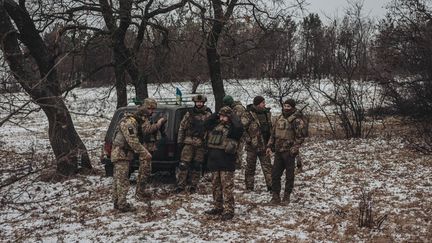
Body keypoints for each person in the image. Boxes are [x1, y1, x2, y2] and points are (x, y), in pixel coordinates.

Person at [204, 106, 243, 220]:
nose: (222, 118)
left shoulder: (233, 128)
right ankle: (218, 207)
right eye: (221, 116)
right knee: (216, 186)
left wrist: (231, 115)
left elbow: (239, 127)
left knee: (227, 187)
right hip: (214, 161)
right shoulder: (215, 125)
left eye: (225, 116)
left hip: (226, 162)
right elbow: (206, 123)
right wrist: (217, 113)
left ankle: (229, 210)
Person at [111, 104, 153, 212]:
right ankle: (122, 205)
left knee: (119, 180)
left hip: (123, 154)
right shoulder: (129, 123)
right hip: (121, 154)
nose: (145, 122)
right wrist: (145, 153)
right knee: (122, 181)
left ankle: (118, 203)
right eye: (145, 118)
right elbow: (133, 141)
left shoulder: (132, 122)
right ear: (142, 116)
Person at [266, 98, 306, 205]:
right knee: (275, 175)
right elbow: (273, 134)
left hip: (289, 152)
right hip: (278, 151)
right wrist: (269, 146)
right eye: (285, 106)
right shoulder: (279, 118)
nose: (286, 108)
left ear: (292, 107)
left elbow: (300, 137)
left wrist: (294, 149)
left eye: (289, 106)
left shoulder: (297, 120)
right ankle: (275, 197)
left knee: (289, 176)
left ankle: (286, 197)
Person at [175, 94, 212, 193]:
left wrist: (209, 144)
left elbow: (210, 131)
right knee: (183, 165)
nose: (199, 104)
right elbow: (182, 128)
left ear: (203, 103)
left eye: (200, 102)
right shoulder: (189, 114)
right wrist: (179, 141)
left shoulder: (208, 115)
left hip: (201, 144)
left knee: (197, 165)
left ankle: (193, 185)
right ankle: (181, 185)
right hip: (189, 142)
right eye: (197, 102)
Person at [135, 98, 167, 201]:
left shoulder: (147, 116)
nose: (152, 111)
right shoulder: (142, 117)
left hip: (148, 147)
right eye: (150, 109)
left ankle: (141, 191)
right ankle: (140, 193)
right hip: (144, 148)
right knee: (144, 171)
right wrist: (159, 123)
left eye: (153, 109)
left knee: (146, 171)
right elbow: (147, 130)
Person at [242, 96, 273, 191]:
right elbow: (242, 129)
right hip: (252, 146)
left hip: (265, 145)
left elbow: (270, 128)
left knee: (267, 167)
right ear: (257, 104)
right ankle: (249, 187)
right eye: (263, 103)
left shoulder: (267, 113)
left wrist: (271, 142)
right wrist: (249, 140)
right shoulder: (248, 114)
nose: (264, 104)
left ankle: (271, 186)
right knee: (250, 167)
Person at [222, 95, 247, 169]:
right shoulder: (233, 107)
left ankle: (237, 165)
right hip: (236, 131)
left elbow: (237, 121)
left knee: (238, 148)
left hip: (240, 132)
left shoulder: (238, 108)